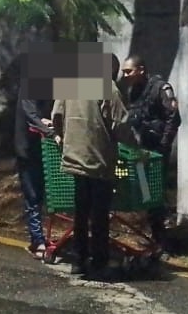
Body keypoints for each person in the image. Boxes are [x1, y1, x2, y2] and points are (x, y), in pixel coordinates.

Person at [51, 52, 136, 281]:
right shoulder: (108, 88)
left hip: (75, 157)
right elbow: (121, 124)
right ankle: (99, 261)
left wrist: (63, 137)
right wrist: (134, 145)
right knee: (99, 215)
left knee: (81, 212)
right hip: (100, 160)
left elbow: (57, 115)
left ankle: (78, 260)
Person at [118, 54, 180, 251]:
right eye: (123, 72)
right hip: (143, 150)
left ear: (141, 70)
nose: (125, 75)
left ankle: (162, 240)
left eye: (128, 71)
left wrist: (163, 146)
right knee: (147, 193)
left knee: (155, 192)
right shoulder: (134, 91)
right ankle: (155, 235)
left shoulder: (161, 88)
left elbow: (173, 118)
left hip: (158, 150)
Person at [13, 55, 54, 261]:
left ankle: (41, 237)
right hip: (28, 150)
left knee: (48, 196)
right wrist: (49, 130)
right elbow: (31, 115)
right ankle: (38, 240)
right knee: (33, 196)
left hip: (45, 150)